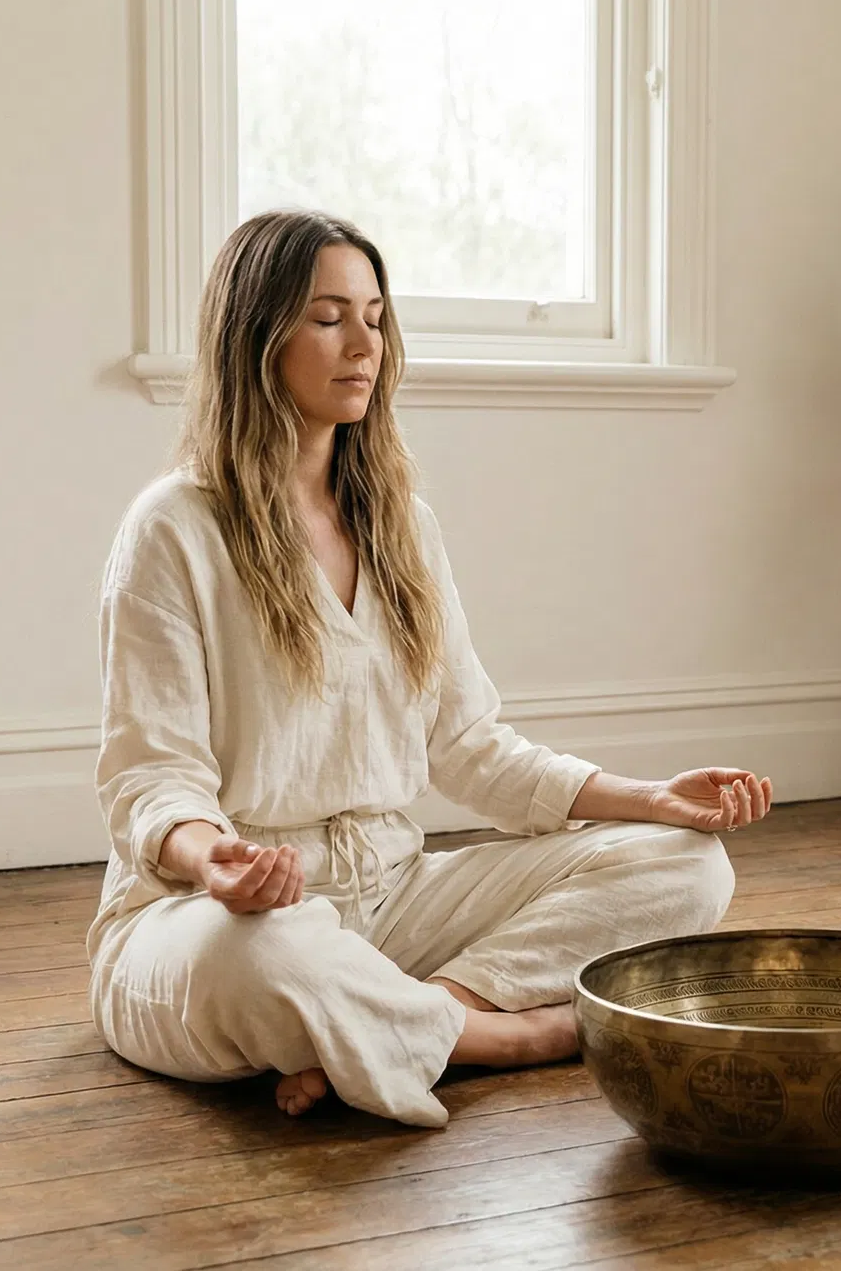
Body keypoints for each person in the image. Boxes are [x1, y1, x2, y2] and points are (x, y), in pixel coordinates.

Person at [86, 210, 772, 1128]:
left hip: (392, 896)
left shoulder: (402, 524)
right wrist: (217, 863)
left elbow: (471, 747)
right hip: (213, 920)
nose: (364, 344)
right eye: (328, 317)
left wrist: (653, 799)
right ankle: (514, 1037)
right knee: (263, 959)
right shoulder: (174, 528)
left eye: (375, 317)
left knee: (687, 866)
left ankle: (418, 1020)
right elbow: (152, 777)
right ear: (256, 336)